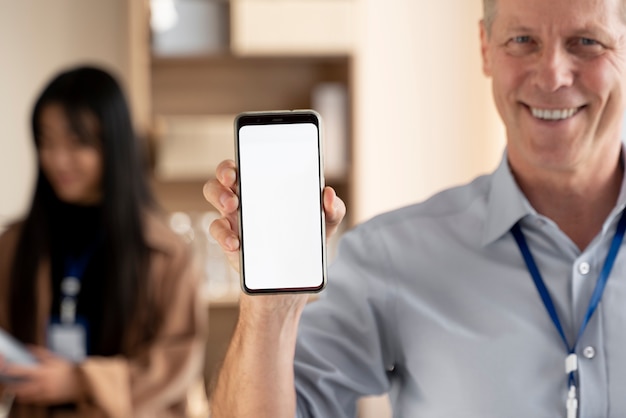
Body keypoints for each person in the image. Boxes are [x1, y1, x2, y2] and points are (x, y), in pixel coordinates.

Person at [204, 0, 626, 416]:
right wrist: (271, 310)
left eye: (587, 41)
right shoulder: (389, 255)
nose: (553, 75)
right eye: (522, 40)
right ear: (485, 48)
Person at [0, 65, 206, 417]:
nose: (58, 159)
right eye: (47, 141)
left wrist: (81, 381)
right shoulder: (15, 243)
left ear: (114, 144)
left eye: (77, 142)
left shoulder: (166, 251)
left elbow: (178, 361)